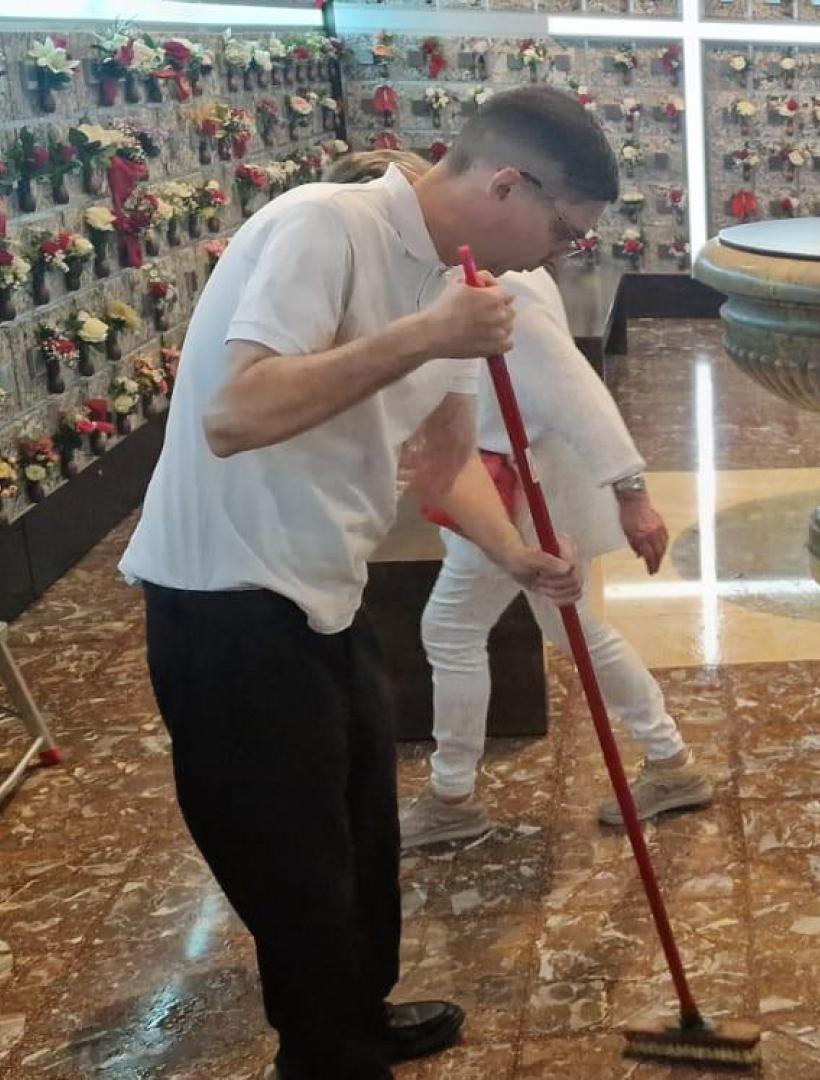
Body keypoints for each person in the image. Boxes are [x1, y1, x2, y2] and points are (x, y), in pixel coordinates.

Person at [118, 87, 617, 1079]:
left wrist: (513, 553)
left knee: (361, 842)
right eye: (563, 227)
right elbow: (236, 410)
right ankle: (330, 1054)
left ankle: (360, 1012)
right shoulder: (322, 226)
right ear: (508, 183)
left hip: (319, 596)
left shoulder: (458, 278)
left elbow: (445, 462)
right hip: (224, 607)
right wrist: (427, 335)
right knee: (295, 877)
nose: (562, 250)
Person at [322, 151, 713, 846]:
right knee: (572, 629)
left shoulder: (498, 283)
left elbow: (574, 389)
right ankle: (670, 761)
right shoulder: (449, 273)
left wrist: (632, 492)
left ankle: (453, 798)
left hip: (522, 488)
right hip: (502, 476)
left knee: (460, 629)